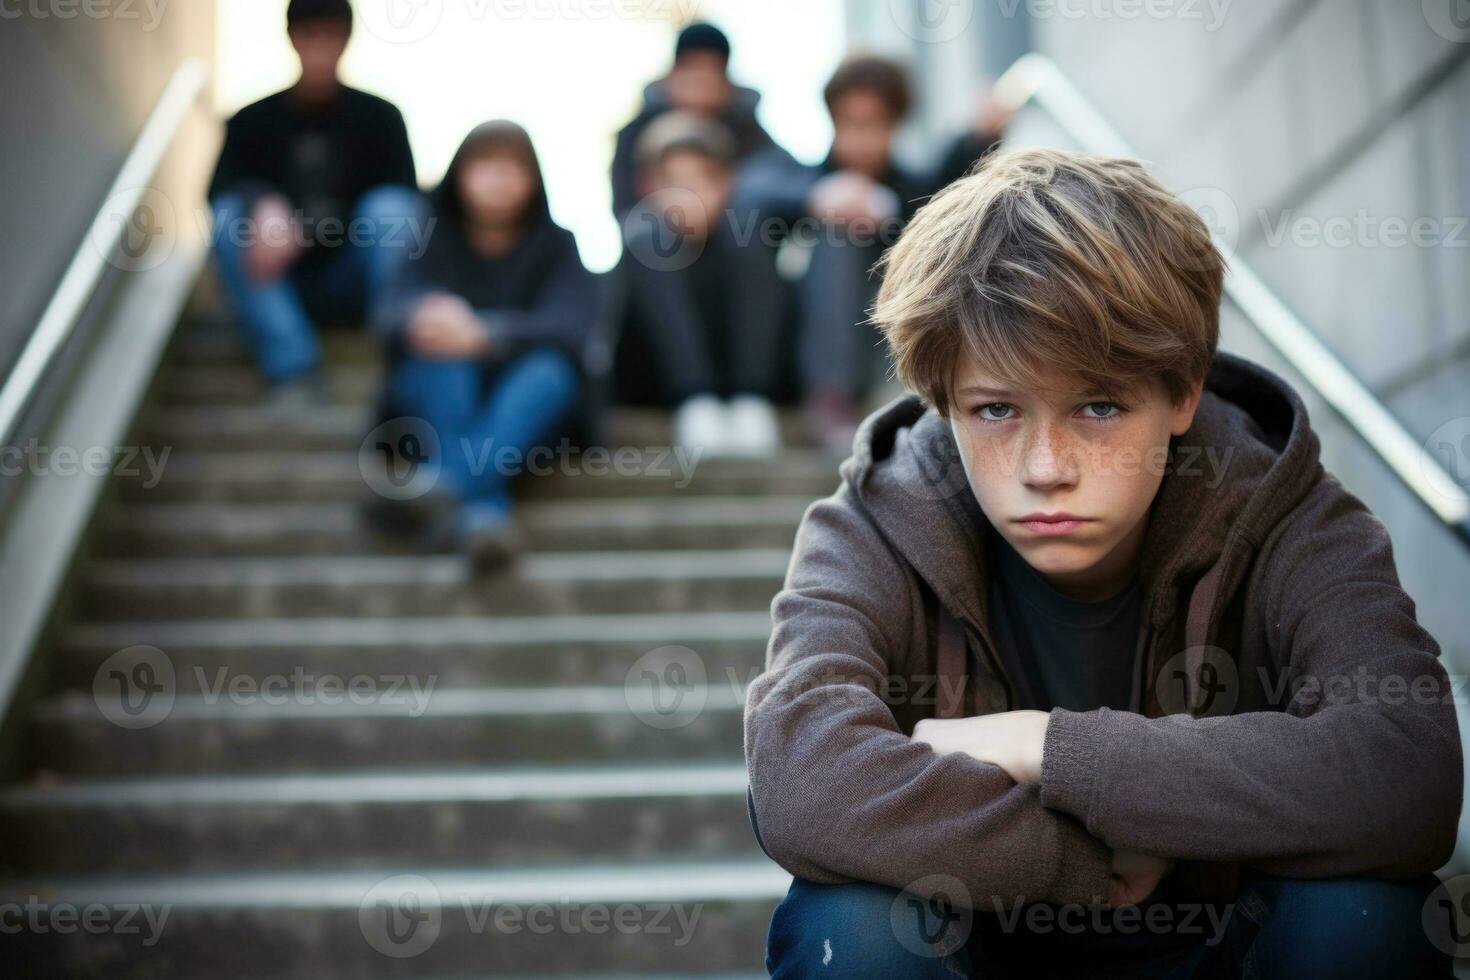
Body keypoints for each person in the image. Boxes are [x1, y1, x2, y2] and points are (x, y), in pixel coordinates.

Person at [744, 148, 1461, 977]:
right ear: (945, 402)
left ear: (1183, 392)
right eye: (997, 409)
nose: (1045, 465)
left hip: (1229, 948)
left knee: (1365, 913)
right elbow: (802, 778)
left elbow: (1407, 769)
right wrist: (1083, 864)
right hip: (983, 949)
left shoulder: (1292, 514)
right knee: (849, 924)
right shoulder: (875, 521)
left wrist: (1048, 748)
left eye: (1099, 405)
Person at [730, 55, 1005, 456]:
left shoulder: (914, 187)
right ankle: (830, 399)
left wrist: (977, 138)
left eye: (873, 123)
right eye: (848, 123)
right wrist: (819, 199)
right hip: (811, 342)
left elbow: (952, 197)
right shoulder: (799, 178)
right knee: (839, 233)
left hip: (892, 343)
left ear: (894, 124)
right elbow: (749, 194)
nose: (859, 138)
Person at [370, 121, 597, 570]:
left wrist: (488, 334)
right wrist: (426, 315)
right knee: (442, 357)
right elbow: (388, 313)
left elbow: (573, 329)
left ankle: (444, 486)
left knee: (548, 371)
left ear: (533, 180)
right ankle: (484, 516)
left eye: (512, 167)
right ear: (461, 174)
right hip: (436, 390)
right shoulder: (427, 239)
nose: (498, 180)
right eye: (485, 165)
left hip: (530, 404)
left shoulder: (559, 246)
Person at [207, 0, 423, 407]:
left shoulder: (380, 118)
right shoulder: (251, 120)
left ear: (346, 40)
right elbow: (219, 190)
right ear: (292, 39)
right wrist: (262, 203)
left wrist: (305, 229)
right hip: (279, 285)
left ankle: (402, 360)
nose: (320, 48)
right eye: (310, 35)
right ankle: (293, 367)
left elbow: (408, 209)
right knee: (228, 218)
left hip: (354, 279)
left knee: (393, 210)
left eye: (330, 35)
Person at [615, 111, 782, 456]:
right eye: (673, 182)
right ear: (648, 187)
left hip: (740, 380)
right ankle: (695, 398)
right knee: (648, 240)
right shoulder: (641, 240)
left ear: (726, 183)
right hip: (654, 383)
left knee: (747, 235)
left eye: (699, 180)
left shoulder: (745, 241)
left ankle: (752, 398)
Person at [610, 21, 776, 223]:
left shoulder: (748, 131)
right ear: (674, 73)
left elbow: (781, 179)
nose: (700, 85)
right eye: (692, 71)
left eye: (710, 73)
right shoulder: (636, 134)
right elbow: (624, 208)